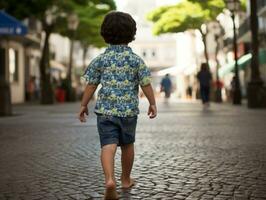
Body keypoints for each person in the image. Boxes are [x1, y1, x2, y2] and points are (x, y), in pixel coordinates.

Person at [78, 11, 157, 200]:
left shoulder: (100, 60)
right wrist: (152, 103)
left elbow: (91, 84)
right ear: (132, 33)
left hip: (105, 111)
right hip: (128, 112)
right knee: (128, 145)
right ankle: (126, 179)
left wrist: (83, 105)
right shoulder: (136, 60)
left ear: (105, 33)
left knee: (108, 145)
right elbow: (146, 83)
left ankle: (109, 180)